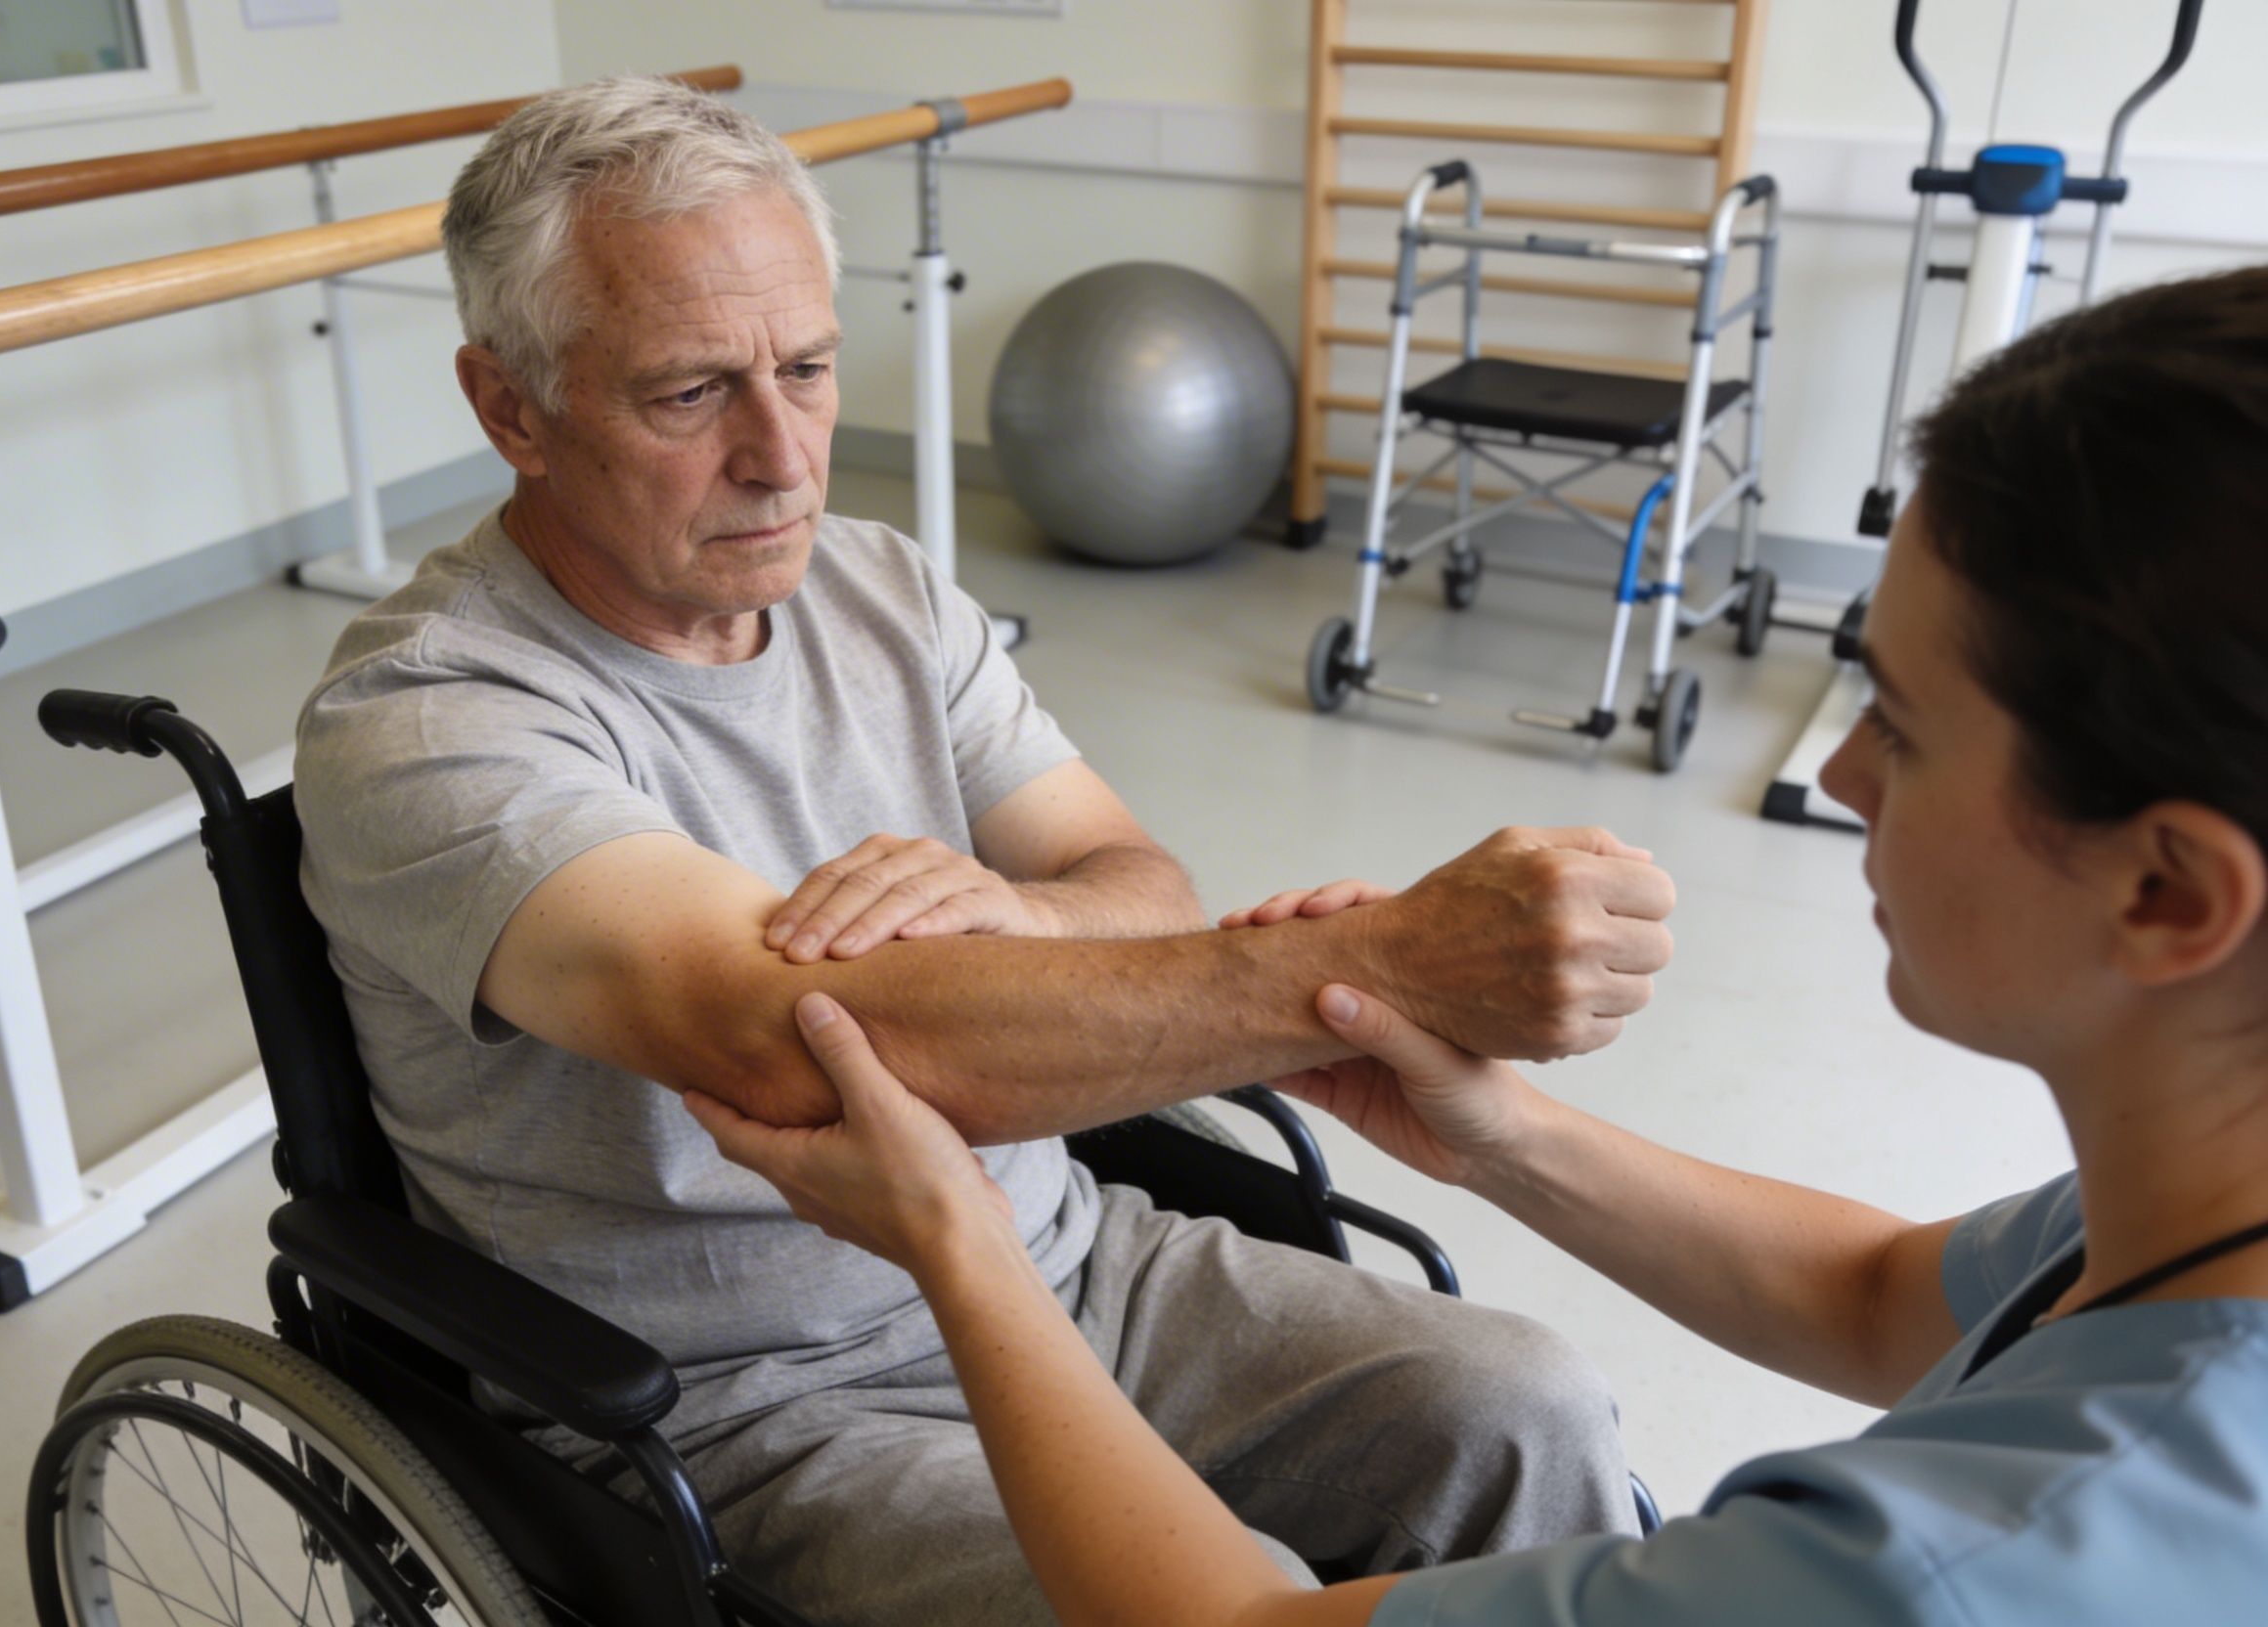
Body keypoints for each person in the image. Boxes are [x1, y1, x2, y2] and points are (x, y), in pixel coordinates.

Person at [689, 263, 2268, 1626]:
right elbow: (1875, 1296)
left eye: (1905, 730)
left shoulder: (1959, 1568)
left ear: (2170, 895)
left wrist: (957, 1242)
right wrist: (1502, 1134)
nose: (1843, 775)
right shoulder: (2193, 1217)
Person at [293, 77, 1678, 1626]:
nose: (782, 456)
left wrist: (1032, 917)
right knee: (1236, 1606)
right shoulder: (426, 719)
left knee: (1527, 1408)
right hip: (750, 1405)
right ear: (511, 409)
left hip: (1073, 1262)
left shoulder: (881, 589)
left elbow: (1136, 881)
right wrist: (1385, 964)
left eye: (807, 369)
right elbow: (796, 1052)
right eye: (689, 394)